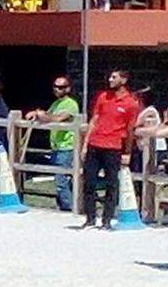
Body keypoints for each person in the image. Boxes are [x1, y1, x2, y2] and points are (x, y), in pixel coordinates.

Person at [79, 69, 140, 230]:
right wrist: (85, 144)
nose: (110, 80)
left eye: (114, 77)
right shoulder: (103, 97)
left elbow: (130, 129)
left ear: (124, 80)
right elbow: (94, 119)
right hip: (95, 143)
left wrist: (127, 152)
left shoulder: (131, 103)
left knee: (111, 184)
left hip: (113, 146)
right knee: (89, 182)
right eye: (110, 76)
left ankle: (107, 219)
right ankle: (90, 218)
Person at [26, 76, 80, 212]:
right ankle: (65, 205)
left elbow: (57, 119)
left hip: (67, 147)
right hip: (56, 147)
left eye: (61, 87)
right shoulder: (56, 104)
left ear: (68, 88)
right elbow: (48, 115)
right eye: (55, 86)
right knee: (61, 180)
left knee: (62, 181)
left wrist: (42, 115)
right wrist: (36, 114)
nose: (57, 89)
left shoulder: (71, 104)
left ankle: (70, 208)